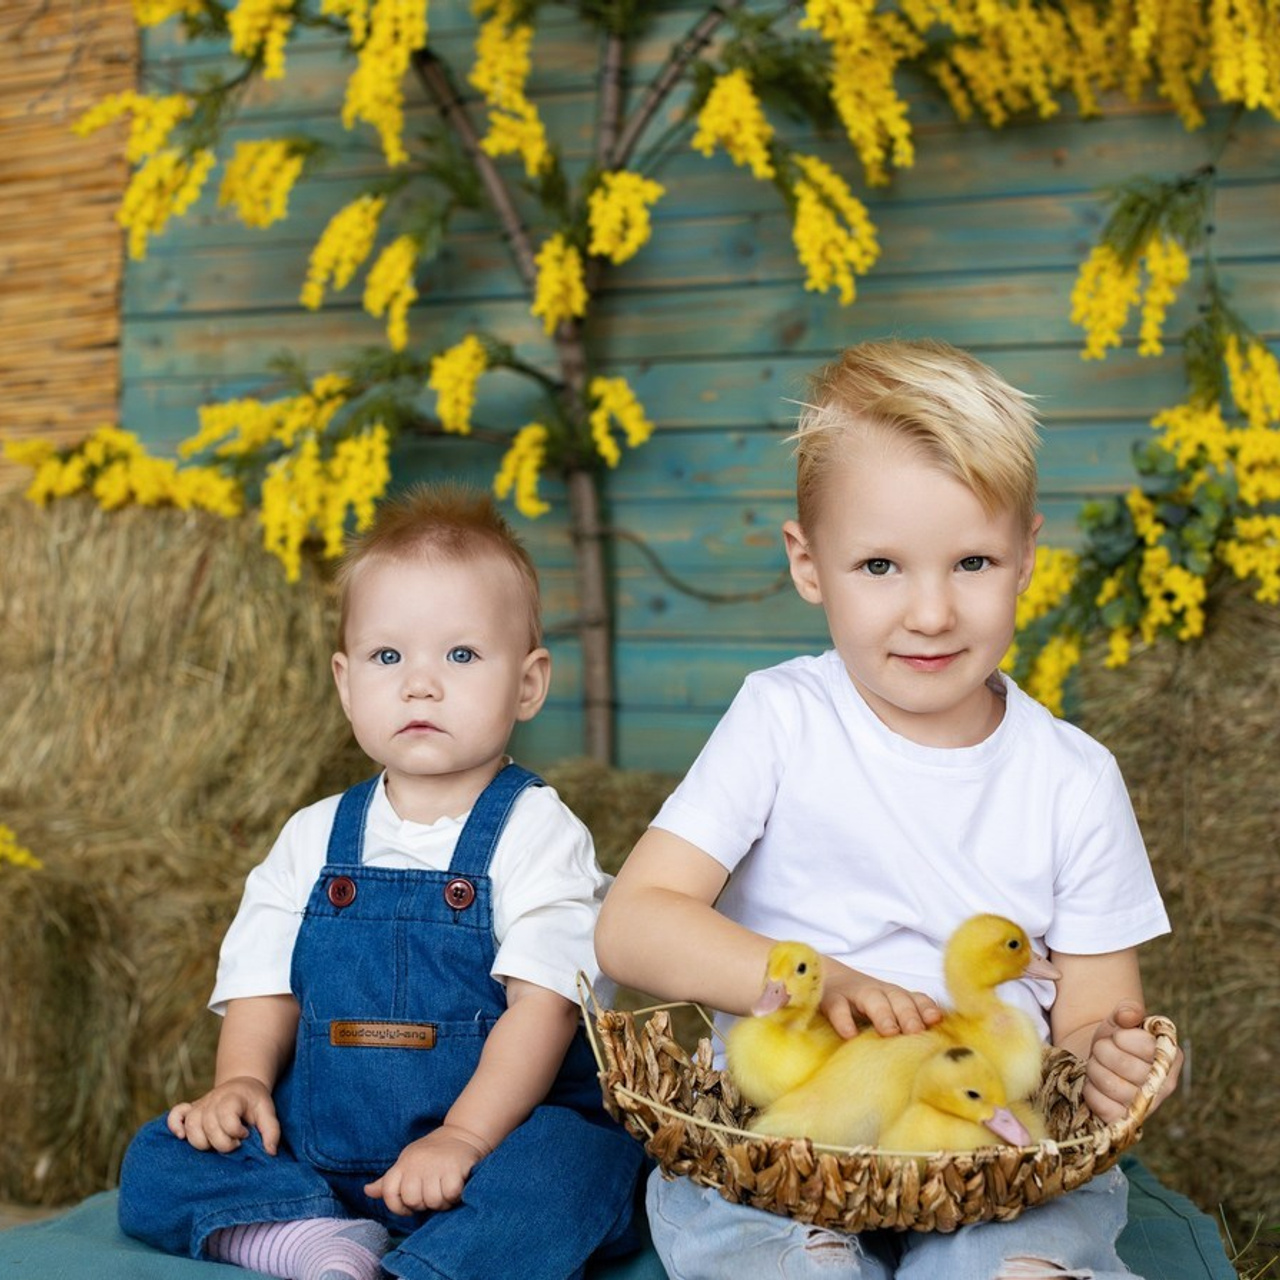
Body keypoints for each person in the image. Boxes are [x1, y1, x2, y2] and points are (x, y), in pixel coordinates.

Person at [595, 338, 1185, 1280]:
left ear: (1027, 557)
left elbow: (1092, 1022)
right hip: (784, 1140)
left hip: (992, 1148)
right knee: (765, 1242)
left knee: (1026, 1247)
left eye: (973, 561)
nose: (931, 612)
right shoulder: (782, 719)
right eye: (880, 566)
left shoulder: (1073, 778)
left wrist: (1118, 1066)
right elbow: (632, 924)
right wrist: (816, 982)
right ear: (808, 564)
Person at [119, 484, 645, 1280]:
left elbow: (542, 1010)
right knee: (161, 1155)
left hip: (490, 1150)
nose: (419, 685)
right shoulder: (314, 836)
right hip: (323, 1151)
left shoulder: (538, 833)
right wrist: (240, 1083)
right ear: (345, 681)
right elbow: (265, 986)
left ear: (529, 684)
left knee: (580, 1167)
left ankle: (432, 1265)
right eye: (387, 657)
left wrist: (463, 1138)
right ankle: (307, 1237)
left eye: (461, 656)